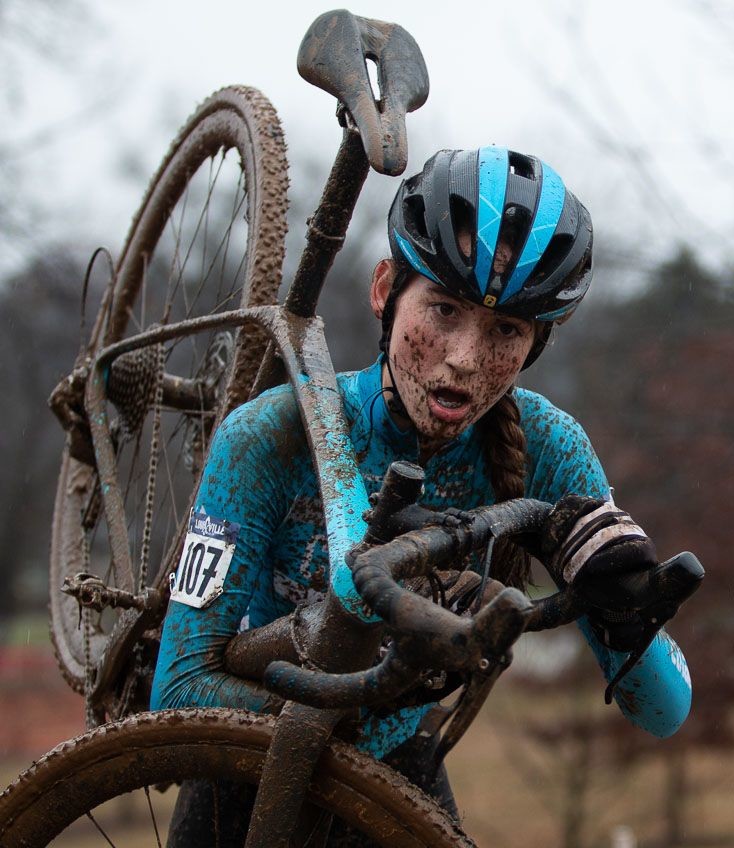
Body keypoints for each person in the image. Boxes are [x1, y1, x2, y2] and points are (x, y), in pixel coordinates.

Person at [152, 146, 693, 844]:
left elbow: (665, 713)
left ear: (535, 344)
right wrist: (368, 694)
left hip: (395, 766)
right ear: (384, 290)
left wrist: (625, 618)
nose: (465, 358)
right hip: (244, 773)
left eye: (505, 330)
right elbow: (179, 693)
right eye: (442, 309)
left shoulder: (551, 449)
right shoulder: (272, 433)